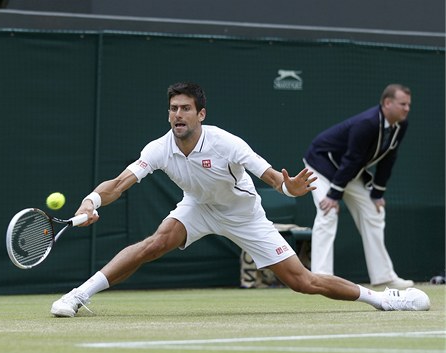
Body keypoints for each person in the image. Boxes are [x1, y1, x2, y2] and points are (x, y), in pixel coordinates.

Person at [50, 82, 430, 317]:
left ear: (201, 113)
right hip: (197, 207)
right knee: (154, 244)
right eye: (173, 109)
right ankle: (78, 296)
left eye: (185, 109)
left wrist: (287, 188)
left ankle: (384, 300)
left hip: (245, 215)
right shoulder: (159, 148)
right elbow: (118, 183)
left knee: (303, 282)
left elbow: (270, 176)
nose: (177, 115)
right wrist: (91, 202)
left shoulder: (227, 143)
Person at [303, 84, 414, 288]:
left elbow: (389, 157)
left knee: (374, 211)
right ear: (387, 103)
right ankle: (321, 277)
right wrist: (334, 195)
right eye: (402, 104)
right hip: (320, 163)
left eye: (408, 104)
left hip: (347, 170)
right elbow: (352, 158)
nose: (407, 108)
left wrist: (378, 192)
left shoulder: (401, 125)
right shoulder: (368, 123)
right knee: (327, 212)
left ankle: (384, 277)